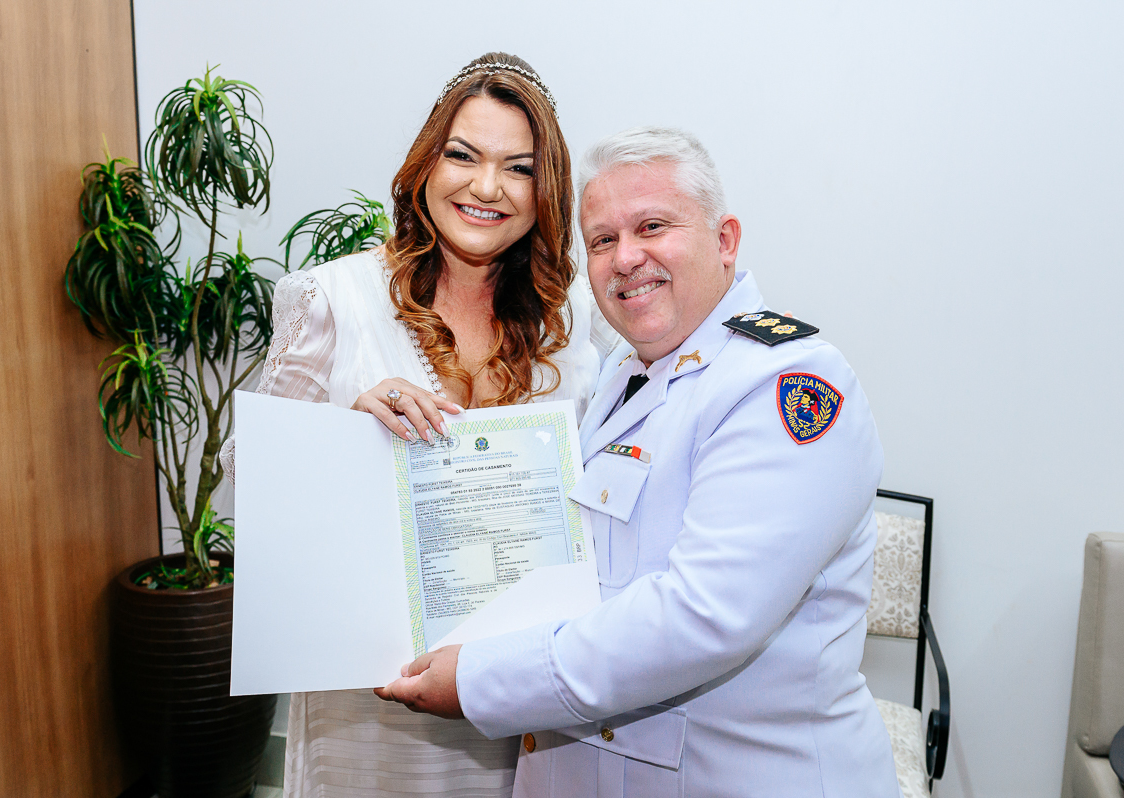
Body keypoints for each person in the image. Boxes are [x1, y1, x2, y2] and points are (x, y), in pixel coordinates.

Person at [375, 127, 903, 797]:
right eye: (602, 240)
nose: (625, 258)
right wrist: (381, 435)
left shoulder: (787, 384)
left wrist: (482, 679)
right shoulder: (622, 374)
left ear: (725, 240)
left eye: (652, 226)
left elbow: (704, 615)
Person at [220, 53, 618, 797]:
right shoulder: (333, 297)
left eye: (519, 168)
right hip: (371, 702)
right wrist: (344, 430)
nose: (486, 187)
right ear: (425, 165)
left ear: (547, 192)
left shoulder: (570, 318)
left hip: (521, 692)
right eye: (463, 155)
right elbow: (244, 472)